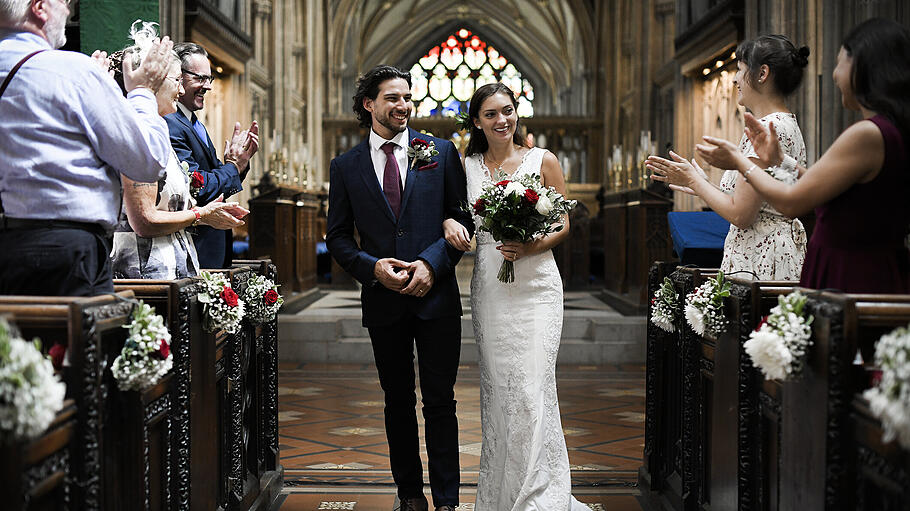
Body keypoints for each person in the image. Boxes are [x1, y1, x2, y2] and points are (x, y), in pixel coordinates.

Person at [325, 65, 472, 511]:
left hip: (437, 297)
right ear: (369, 105)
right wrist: (372, 269)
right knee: (397, 402)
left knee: (440, 401)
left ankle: (447, 498)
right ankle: (410, 494)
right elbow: (337, 237)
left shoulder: (440, 152)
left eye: (407, 97)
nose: (403, 105)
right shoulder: (346, 166)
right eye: (392, 97)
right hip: (384, 299)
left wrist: (432, 263)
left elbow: (461, 219)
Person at [443, 83, 591, 510]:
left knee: (532, 388)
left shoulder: (543, 160)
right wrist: (448, 228)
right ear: (476, 121)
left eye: (507, 111)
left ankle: (538, 495)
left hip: (538, 287)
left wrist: (530, 246)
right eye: (490, 114)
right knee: (499, 394)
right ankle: (502, 495)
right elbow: (449, 214)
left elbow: (562, 223)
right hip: (491, 287)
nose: (501, 120)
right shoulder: (466, 166)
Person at [695, 18, 910, 293]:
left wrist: (739, 161)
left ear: (866, 68)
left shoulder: (867, 135)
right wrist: (778, 162)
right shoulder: (887, 132)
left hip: (853, 273)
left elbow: (793, 202)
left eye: (841, 62)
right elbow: (818, 190)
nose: (833, 75)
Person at [0, 0, 173, 296]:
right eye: (64, 2)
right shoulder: (72, 70)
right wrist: (143, 93)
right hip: (67, 253)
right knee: (71, 340)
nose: (69, 11)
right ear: (39, 8)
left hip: (9, 245)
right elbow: (148, 160)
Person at [647, 35, 810, 280]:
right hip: (776, 250)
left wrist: (694, 181)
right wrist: (702, 184)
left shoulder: (765, 129)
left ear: (762, 73)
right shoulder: (785, 122)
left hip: (760, 258)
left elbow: (741, 215)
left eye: (740, 70)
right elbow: (758, 203)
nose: (735, 79)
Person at [106, 22, 248, 279]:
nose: (181, 89)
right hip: (147, 270)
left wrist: (207, 215)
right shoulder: (139, 132)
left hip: (175, 267)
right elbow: (145, 221)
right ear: (156, 81)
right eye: (176, 80)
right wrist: (200, 214)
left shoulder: (157, 129)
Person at [164, 42, 259, 269]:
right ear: (178, 75)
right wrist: (233, 166)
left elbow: (216, 179)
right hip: (194, 244)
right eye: (200, 78)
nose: (207, 87)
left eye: (209, 79)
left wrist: (238, 164)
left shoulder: (194, 123)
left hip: (209, 243)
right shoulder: (171, 123)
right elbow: (197, 187)